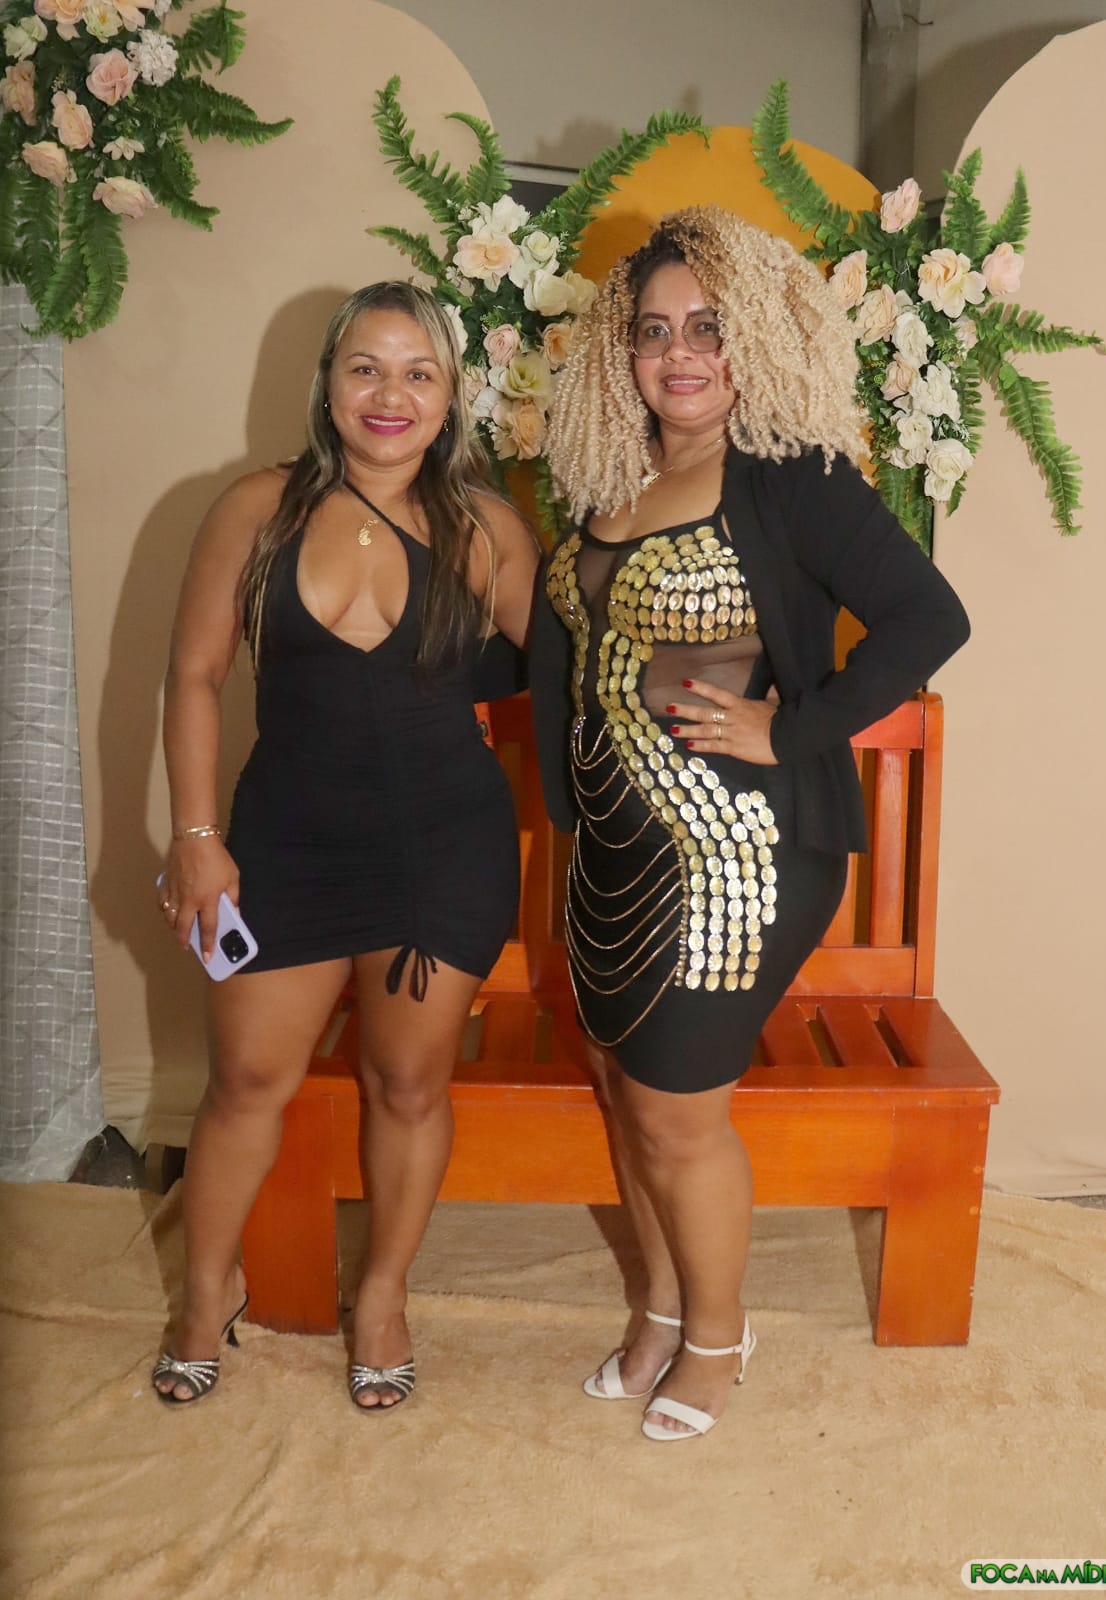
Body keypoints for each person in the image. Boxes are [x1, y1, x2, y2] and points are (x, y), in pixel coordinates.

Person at [533, 206, 970, 1442]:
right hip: (614, 851)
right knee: (627, 1092)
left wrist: (794, 728)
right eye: (654, 329)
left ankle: (719, 1340)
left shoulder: (792, 479)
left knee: (680, 1109)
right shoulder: (610, 482)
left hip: (739, 855)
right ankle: (661, 1308)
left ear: (758, 340)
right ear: (623, 348)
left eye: (708, 327)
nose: (679, 353)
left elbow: (929, 618)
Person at [153, 281, 537, 1409]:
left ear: (452, 396)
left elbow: (580, 663)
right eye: (366, 367)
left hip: (444, 851)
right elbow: (194, 677)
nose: (390, 394)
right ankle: (204, 1293)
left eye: (420, 372)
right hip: (285, 845)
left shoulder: (486, 529)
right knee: (244, 1081)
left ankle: (382, 1297)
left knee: (408, 1084)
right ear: (327, 382)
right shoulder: (257, 508)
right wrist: (195, 836)